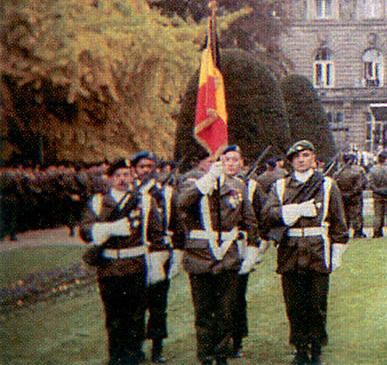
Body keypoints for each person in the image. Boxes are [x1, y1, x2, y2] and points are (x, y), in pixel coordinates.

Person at [262, 140, 348, 365]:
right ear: (291, 161)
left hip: (317, 251)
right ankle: (300, 349)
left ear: (313, 159)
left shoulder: (328, 185)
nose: (302, 160)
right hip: (290, 251)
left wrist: (337, 254)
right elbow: (268, 214)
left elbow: (339, 224)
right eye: (297, 157)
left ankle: (316, 348)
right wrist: (294, 210)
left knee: (317, 304)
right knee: (294, 304)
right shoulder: (280, 187)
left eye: (306, 155)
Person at [174, 149, 260, 365]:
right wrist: (208, 180)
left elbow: (249, 220)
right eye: (221, 159)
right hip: (200, 255)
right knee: (203, 311)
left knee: (225, 310)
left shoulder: (238, 186)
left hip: (228, 255)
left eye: (231, 159)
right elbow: (182, 203)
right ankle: (205, 355)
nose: (225, 164)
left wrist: (251, 249)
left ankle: (222, 355)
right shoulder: (192, 183)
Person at [81, 158, 164, 365]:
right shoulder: (99, 202)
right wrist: (108, 229)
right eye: (117, 176)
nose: (122, 180)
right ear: (109, 179)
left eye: (126, 175)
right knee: (114, 317)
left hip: (135, 266)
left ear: (132, 176)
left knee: (136, 317)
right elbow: (85, 230)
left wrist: (156, 265)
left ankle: (133, 356)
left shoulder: (144, 200)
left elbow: (156, 234)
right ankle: (116, 357)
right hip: (109, 268)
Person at [131, 151, 177, 364]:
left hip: (159, 254)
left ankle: (157, 347)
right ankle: (136, 347)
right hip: (136, 256)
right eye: (142, 166)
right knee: (136, 305)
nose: (146, 170)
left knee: (158, 306)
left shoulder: (165, 193)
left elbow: (176, 223)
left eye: (150, 166)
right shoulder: (130, 194)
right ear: (135, 169)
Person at [226, 146, 266, 358]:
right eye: (227, 160)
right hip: (218, 247)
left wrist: (255, 246)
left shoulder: (251, 187)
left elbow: (260, 215)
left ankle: (237, 340)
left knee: (236, 296)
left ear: (242, 163)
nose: (231, 164)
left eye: (235, 160)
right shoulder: (213, 184)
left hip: (240, 245)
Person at [367, 151, 387, 238]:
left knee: (377, 213)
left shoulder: (373, 170)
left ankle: (377, 231)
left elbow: (370, 182)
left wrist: (377, 189)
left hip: (377, 194)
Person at [333, 153, 367, 238]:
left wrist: (342, 193)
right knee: (356, 214)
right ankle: (357, 232)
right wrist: (353, 192)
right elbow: (361, 184)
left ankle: (345, 230)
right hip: (355, 196)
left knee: (344, 214)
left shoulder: (338, 172)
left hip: (342, 196)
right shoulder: (358, 170)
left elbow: (335, 185)